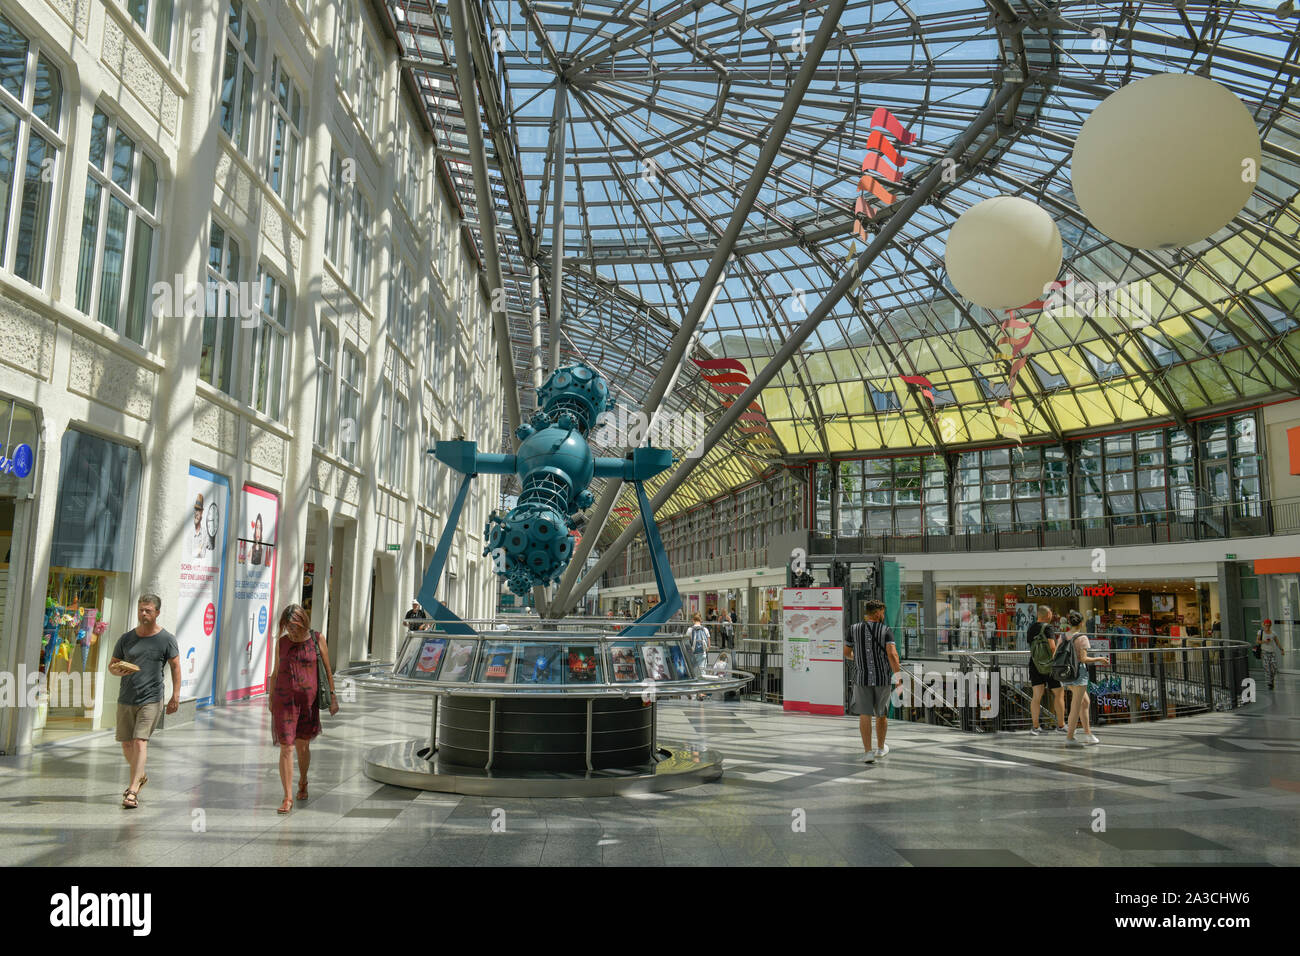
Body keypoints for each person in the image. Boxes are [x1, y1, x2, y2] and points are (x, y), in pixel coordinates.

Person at [108, 594, 180, 809]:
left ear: (157, 612)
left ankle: (132, 791)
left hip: (151, 698)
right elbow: (112, 665)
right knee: (126, 743)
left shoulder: (166, 639)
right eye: (141, 610)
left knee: (140, 741)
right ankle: (140, 775)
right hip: (126, 697)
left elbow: (175, 667)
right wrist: (118, 670)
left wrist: (175, 696)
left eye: (148, 610)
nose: (143, 613)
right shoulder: (126, 639)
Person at [268, 603, 338, 813]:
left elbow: (327, 670)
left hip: (308, 703)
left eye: (295, 626)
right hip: (284, 700)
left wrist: (333, 697)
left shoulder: (317, 639)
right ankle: (288, 797)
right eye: (288, 626)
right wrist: (271, 698)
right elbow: (275, 671)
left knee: (302, 747)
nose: (292, 630)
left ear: (303, 622)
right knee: (286, 747)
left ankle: (303, 781)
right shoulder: (282, 643)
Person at [845, 600, 901, 763]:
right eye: (882, 613)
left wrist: (858, 659)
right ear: (877, 613)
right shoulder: (886, 630)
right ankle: (880, 748)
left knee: (865, 714)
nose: (883, 616)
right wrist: (898, 677)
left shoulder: (853, 629)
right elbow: (892, 654)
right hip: (882, 678)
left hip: (861, 678)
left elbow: (847, 652)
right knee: (881, 714)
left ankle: (868, 752)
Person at [1060, 609, 1107, 746]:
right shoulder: (1082, 637)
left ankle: (1088, 734)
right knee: (1076, 706)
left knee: (1084, 702)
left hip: (1067, 673)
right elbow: (1084, 658)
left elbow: (1056, 653)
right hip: (1079, 673)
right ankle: (1069, 738)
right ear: (1081, 623)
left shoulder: (1063, 636)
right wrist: (1100, 658)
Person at [1025, 604, 1066, 736]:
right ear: (1048, 615)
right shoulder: (1047, 627)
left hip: (1035, 664)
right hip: (1050, 666)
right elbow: (1052, 647)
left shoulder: (1030, 628)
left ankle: (1035, 727)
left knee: (1036, 696)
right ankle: (1061, 725)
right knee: (1059, 693)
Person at [1257, 619, 1286, 690]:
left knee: (1274, 668)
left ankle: (1271, 679)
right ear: (1264, 625)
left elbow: (1277, 642)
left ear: (1270, 625)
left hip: (1272, 653)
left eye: (1269, 625)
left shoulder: (1273, 633)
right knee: (1267, 669)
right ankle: (1269, 683)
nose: (1267, 627)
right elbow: (1258, 641)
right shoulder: (1260, 632)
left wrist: (1281, 649)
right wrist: (1264, 641)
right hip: (1264, 652)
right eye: (1266, 625)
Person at [191, 494, 208, 558]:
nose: (196, 513)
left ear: (202, 512)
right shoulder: (190, 533)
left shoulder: (205, 534)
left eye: (199, 510)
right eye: (196, 509)